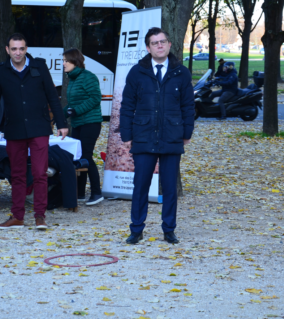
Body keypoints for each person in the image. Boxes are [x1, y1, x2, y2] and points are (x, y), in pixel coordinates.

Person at [0, 33, 68, 230]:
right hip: (14, 129)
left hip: (39, 128)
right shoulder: (0, 71)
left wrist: (61, 123)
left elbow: (53, 96)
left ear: (26, 49)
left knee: (40, 173)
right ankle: (17, 216)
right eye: (14, 49)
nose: (18, 52)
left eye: (22, 48)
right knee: (17, 174)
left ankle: (40, 217)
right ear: (7, 50)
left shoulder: (39, 66)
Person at [120, 27, 194, 245]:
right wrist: (126, 134)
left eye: (163, 42)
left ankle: (169, 229)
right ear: (148, 47)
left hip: (172, 135)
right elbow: (127, 105)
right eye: (155, 43)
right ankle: (136, 229)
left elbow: (188, 105)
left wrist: (187, 132)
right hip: (143, 135)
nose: (159, 45)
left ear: (169, 45)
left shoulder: (181, 72)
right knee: (140, 185)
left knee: (170, 187)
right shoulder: (137, 72)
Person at [63, 48, 104, 206]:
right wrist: (59, 116)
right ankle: (79, 193)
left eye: (66, 60)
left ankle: (96, 193)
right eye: (64, 60)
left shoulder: (88, 77)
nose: (64, 63)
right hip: (78, 123)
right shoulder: (72, 79)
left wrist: (77, 110)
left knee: (86, 156)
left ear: (75, 61)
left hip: (91, 123)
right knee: (77, 156)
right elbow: (72, 104)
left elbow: (95, 98)